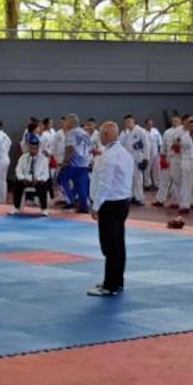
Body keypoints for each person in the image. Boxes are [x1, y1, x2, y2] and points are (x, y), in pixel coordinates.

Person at [88, 122, 133, 297]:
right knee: (118, 245)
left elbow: (105, 183)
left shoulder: (109, 156)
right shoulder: (124, 153)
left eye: (101, 133)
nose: (99, 136)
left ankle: (110, 285)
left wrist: (96, 205)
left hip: (110, 203)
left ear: (106, 135)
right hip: (122, 202)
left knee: (109, 246)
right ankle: (116, 280)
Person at [10, 134, 51, 216]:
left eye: (35, 149)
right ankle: (16, 208)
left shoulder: (43, 159)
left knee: (42, 186)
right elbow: (18, 170)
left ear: (38, 149)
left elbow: (46, 174)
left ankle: (44, 209)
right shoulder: (23, 157)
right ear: (28, 148)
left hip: (38, 180)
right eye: (31, 148)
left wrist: (38, 179)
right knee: (17, 184)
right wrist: (22, 178)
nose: (33, 150)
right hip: (26, 179)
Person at [59, 114, 92, 213]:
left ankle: (70, 200)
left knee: (61, 179)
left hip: (73, 163)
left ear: (71, 122)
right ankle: (83, 206)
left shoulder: (71, 133)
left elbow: (71, 148)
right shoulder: (84, 133)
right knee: (81, 184)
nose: (65, 123)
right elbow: (90, 147)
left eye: (66, 121)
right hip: (84, 163)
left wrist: (65, 161)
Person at [120, 115, 151, 206]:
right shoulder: (124, 133)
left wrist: (146, 159)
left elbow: (146, 145)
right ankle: (130, 196)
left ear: (134, 122)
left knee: (138, 179)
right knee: (128, 179)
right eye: (126, 122)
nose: (128, 123)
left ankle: (139, 198)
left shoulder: (140, 131)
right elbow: (120, 145)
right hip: (126, 159)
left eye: (129, 121)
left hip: (137, 158)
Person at [155, 115, 184, 207]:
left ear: (180, 122)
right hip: (168, 157)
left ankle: (176, 201)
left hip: (177, 158)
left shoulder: (183, 131)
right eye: (173, 121)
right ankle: (160, 200)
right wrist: (162, 157)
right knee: (163, 180)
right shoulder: (167, 132)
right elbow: (163, 145)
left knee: (176, 181)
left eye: (176, 121)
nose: (174, 122)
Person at [144, 118, 162, 190]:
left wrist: (160, 150)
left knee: (157, 169)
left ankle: (157, 184)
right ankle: (147, 184)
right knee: (147, 169)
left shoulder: (155, 131)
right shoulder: (143, 132)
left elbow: (159, 141)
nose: (150, 125)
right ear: (146, 125)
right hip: (147, 152)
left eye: (151, 124)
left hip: (156, 152)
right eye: (149, 124)